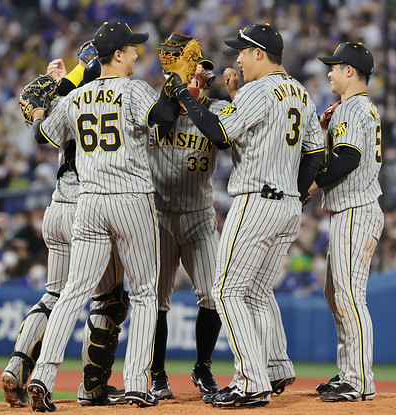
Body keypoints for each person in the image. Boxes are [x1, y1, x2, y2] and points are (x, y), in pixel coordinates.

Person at [163, 23, 325, 406]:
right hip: (287, 206)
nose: (236, 58)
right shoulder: (300, 92)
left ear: (259, 54)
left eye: (242, 51)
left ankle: (251, 381)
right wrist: (298, 194)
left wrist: (186, 99)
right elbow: (315, 153)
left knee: (227, 290)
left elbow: (219, 133)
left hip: (256, 199)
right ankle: (274, 366)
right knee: (255, 291)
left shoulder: (259, 89)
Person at [23, 20, 179, 412]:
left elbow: (44, 135)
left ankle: (43, 375)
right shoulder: (135, 89)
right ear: (119, 54)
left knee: (73, 292)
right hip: (129, 199)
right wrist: (174, 85)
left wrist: (42, 110)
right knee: (144, 293)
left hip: (90, 201)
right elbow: (163, 119)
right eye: (133, 48)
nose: (137, 53)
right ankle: (136, 385)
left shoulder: (78, 97)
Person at [1, 47, 127, 409]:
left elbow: (44, 109)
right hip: (88, 208)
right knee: (109, 299)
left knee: (55, 295)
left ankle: (17, 366)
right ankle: (93, 387)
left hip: (56, 206)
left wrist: (57, 85)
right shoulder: (106, 99)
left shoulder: (64, 101)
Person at [147, 54, 228, 400]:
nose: (199, 79)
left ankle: (203, 366)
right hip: (159, 216)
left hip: (198, 216)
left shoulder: (219, 111)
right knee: (155, 300)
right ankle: (157, 374)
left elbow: (225, 134)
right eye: (191, 74)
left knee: (215, 294)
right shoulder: (156, 108)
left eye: (202, 75)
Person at [311, 42, 384, 402]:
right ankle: (349, 371)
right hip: (352, 210)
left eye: (335, 67)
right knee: (336, 295)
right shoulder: (353, 107)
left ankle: (359, 379)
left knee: (350, 296)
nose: (329, 72)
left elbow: (347, 159)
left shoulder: (353, 108)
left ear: (350, 71)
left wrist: (313, 181)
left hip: (357, 209)